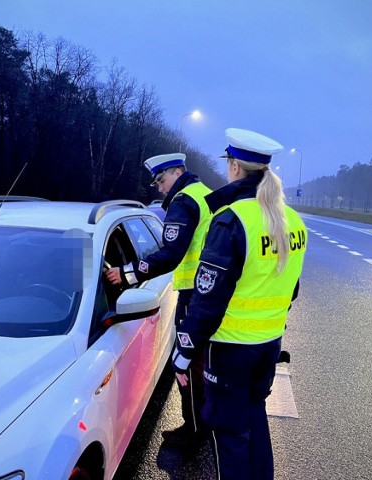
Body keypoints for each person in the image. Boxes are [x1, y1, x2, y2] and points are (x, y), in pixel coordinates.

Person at [171, 128, 307, 479]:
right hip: (268, 346)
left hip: (230, 351)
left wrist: (183, 351)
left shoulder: (231, 220)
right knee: (254, 420)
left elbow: (207, 300)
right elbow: (290, 292)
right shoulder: (292, 221)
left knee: (227, 435)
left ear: (233, 166)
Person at [105, 152, 213, 448]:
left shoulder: (183, 201)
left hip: (194, 295)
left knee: (187, 365)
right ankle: (203, 423)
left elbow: (170, 254)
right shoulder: (205, 194)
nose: (160, 188)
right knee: (202, 365)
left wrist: (127, 273)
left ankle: (194, 432)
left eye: (162, 180)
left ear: (177, 172)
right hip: (208, 291)